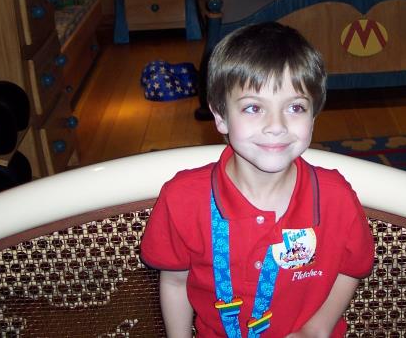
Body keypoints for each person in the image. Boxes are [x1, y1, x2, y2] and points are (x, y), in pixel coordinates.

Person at [141, 22, 375, 337]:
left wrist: (317, 328)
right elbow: (174, 281)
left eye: (295, 107)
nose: (276, 126)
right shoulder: (181, 198)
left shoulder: (337, 198)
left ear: (313, 117)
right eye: (253, 107)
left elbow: (352, 267)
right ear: (220, 116)